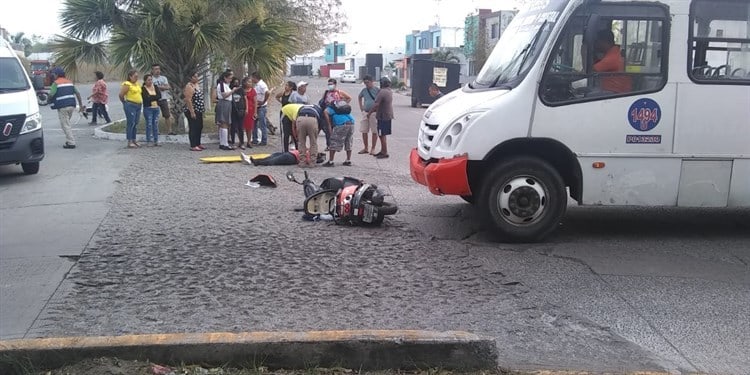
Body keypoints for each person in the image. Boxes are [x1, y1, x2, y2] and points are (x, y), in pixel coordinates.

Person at [48, 67, 85, 149]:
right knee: (67, 123)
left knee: (65, 125)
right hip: (71, 106)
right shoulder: (70, 82)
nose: (53, 75)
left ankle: (71, 142)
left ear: (57, 74)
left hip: (62, 107)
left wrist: (48, 100)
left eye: (54, 74)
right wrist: (81, 105)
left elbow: (51, 94)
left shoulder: (56, 83)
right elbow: (78, 93)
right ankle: (69, 140)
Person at [591, 29, 632, 94]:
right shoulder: (615, 52)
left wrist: (584, 52)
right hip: (614, 91)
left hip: (615, 93)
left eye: (597, 42)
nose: (595, 44)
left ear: (604, 42)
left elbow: (589, 71)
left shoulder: (612, 58)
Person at [281, 103, 321, 168]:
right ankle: (312, 162)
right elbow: (320, 124)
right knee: (313, 143)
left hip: (300, 118)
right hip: (312, 119)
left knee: (301, 142)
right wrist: (315, 135)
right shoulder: (319, 109)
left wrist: (296, 136)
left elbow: (294, 124)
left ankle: (302, 162)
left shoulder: (300, 108)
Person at [318, 78, 352, 151]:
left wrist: (342, 104)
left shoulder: (339, 92)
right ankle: (329, 145)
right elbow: (323, 101)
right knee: (328, 129)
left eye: (331, 84)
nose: (330, 86)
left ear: (335, 85)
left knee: (337, 129)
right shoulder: (326, 92)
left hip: (336, 110)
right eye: (329, 84)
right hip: (328, 109)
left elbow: (349, 98)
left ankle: (336, 146)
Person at [367, 77, 394, 159]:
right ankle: (383, 150)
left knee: (381, 134)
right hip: (387, 115)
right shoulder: (389, 91)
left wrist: (369, 113)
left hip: (383, 116)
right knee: (383, 134)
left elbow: (376, 104)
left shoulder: (382, 92)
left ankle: (385, 152)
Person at [323, 100, 355, 167]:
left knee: (334, 141)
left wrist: (330, 131)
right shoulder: (341, 106)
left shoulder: (327, 109)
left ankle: (331, 161)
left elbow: (328, 122)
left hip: (341, 124)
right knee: (349, 141)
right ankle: (348, 160)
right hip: (351, 123)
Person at [216, 71, 241, 150]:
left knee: (225, 123)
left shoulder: (225, 85)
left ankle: (223, 142)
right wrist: (232, 91)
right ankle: (224, 144)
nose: (230, 80)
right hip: (224, 103)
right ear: (225, 77)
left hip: (227, 103)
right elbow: (224, 95)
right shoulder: (221, 85)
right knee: (224, 123)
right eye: (229, 78)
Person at [119, 69, 143, 148]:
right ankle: (129, 141)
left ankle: (134, 139)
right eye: (135, 76)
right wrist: (125, 103)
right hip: (130, 105)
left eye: (137, 76)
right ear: (130, 76)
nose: (136, 78)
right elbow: (121, 95)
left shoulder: (137, 84)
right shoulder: (127, 84)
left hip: (138, 105)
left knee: (136, 123)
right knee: (131, 122)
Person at [357, 75, 379, 155]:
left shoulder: (377, 90)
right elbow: (359, 97)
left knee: (374, 131)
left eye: (368, 82)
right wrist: (361, 107)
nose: (366, 84)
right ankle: (365, 147)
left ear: (372, 81)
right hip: (365, 112)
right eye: (365, 83)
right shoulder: (364, 90)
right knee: (364, 130)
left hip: (374, 113)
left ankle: (373, 148)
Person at [184, 72, 206, 151]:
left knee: (199, 126)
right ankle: (193, 145)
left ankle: (198, 143)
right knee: (193, 127)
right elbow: (188, 100)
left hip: (199, 109)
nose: (196, 78)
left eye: (197, 76)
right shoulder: (189, 86)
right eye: (195, 77)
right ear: (191, 78)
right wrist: (192, 112)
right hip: (193, 109)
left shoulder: (197, 85)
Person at [151, 64, 174, 135]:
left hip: (163, 99)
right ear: (152, 70)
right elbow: (150, 88)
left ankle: (170, 130)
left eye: (158, 69)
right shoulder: (151, 79)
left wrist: (158, 87)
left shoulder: (163, 78)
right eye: (155, 69)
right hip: (154, 100)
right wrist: (162, 87)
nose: (157, 71)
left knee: (167, 115)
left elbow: (168, 87)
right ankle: (156, 131)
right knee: (154, 116)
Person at [276, 81, 298, 152]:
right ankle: (285, 150)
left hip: (291, 114)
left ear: (291, 87)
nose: (285, 87)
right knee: (285, 133)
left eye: (287, 86)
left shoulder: (293, 94)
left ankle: (297, 148)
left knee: (294, 131)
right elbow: (277, 97)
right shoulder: (283, 93)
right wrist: (281, 102)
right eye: (285, 85)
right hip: (284, 113)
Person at [141, 74, 162, 146]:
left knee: (155, 124)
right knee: (149, 124)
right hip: (148, 108)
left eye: (151, 80)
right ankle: (149, 140)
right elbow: (146, 99)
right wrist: (154, 97)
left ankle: (156, 140)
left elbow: (159, 96)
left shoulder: (155, 87)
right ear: (145, 81)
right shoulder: (143, 89)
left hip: (156, 108)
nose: (150, 81)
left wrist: (151, 97)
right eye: (148, 80)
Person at [250, 71, 270, 146]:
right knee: (254, 123)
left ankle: (264, 140)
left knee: (262, 124)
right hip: (256, 106)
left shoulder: (262, 85)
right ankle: (255, 139)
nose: (251, 79)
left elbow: (267, 92)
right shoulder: (256, 85)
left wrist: (264, 101)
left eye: (252, 78)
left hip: (261, 107)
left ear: (255, 78)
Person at [228, 77, 245, 149]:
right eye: (234, 82)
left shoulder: (241, 90)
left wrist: (245, 108)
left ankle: (242, 142)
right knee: (233, 127)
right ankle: (233, 142)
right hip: (232, 110)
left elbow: (245, 98)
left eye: (237, 82)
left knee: (240, 127)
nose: (236, 84)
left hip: (240, 110)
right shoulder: (230, 89)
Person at [241, 76, 257, 149]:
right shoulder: (241, 90)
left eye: (251, 82)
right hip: (241, 109)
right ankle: (241, 141)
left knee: (249, 127)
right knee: (241, 126)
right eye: (248, 82)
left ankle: (249, 141)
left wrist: (255, 112)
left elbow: (255, 102)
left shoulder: (253, 90)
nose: (250, 83)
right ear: (244, 82)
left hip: (250, 110)